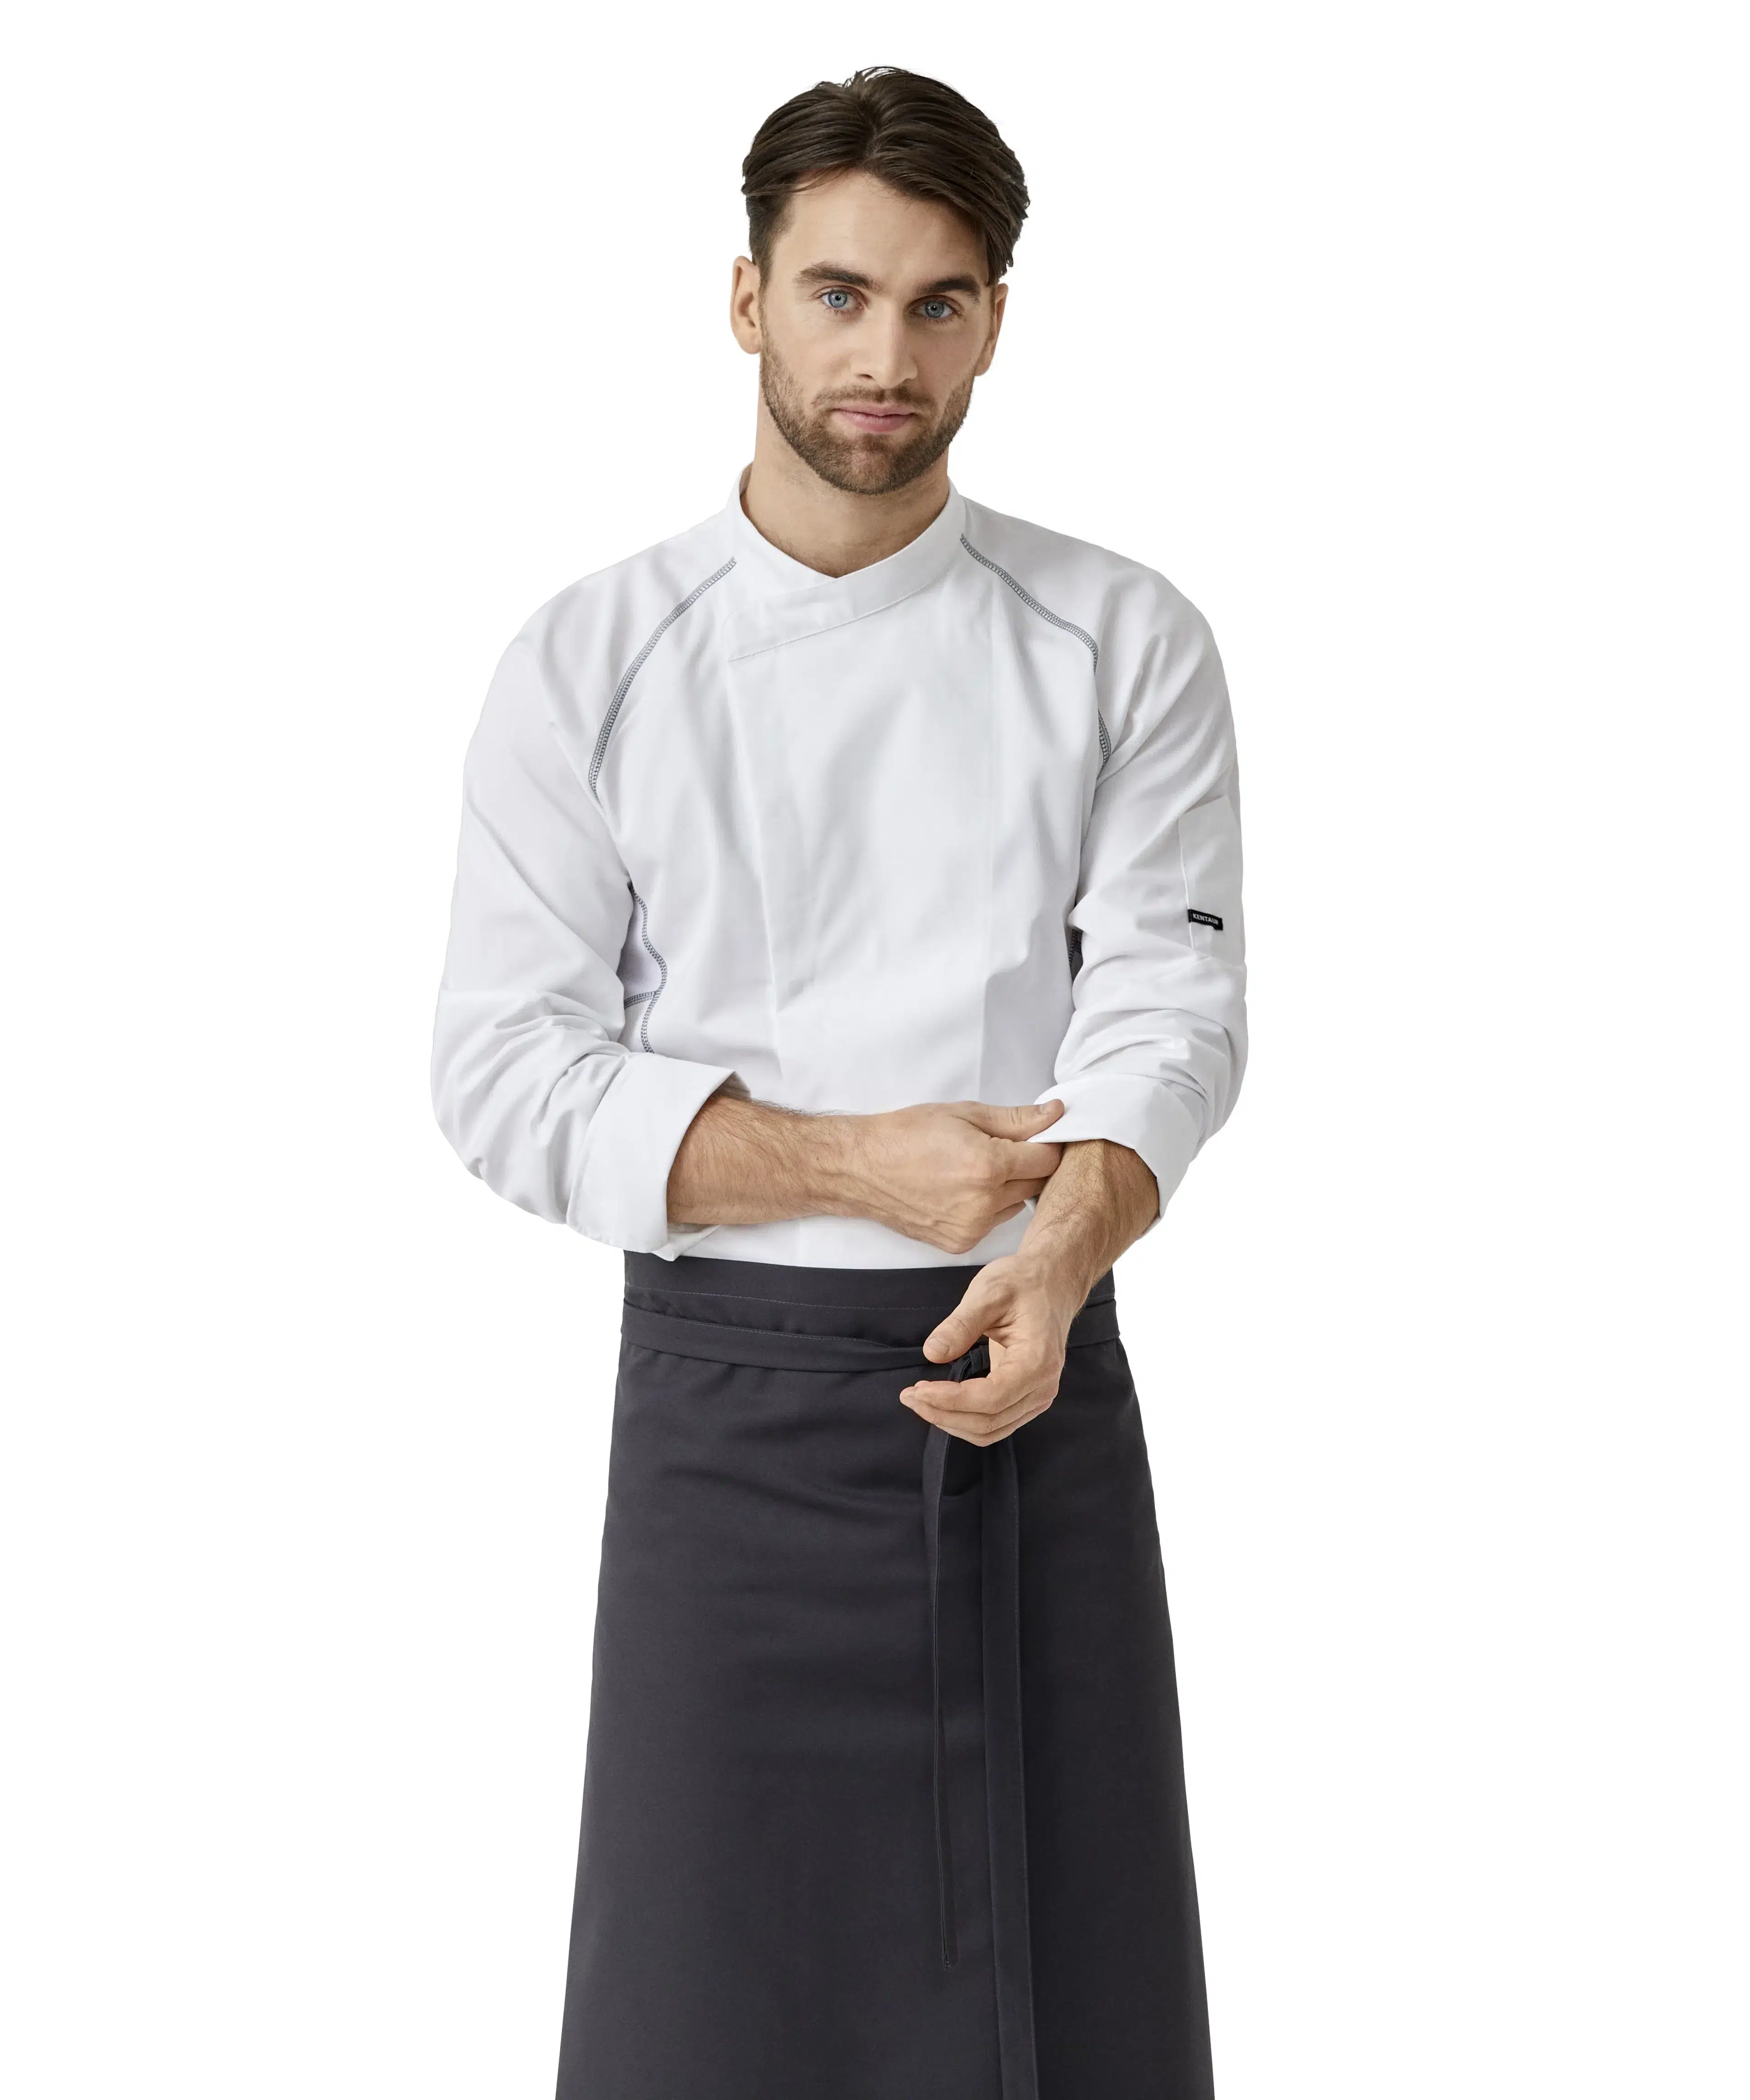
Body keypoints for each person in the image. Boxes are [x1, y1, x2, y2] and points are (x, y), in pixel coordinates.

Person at [433, 64, 1245, 2100]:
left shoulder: (1121, 637)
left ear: (994, 324)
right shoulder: (589, 660)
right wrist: (852, 1166)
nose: (886, 356)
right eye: (839, 294)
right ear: (747, 299)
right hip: (724, 1420)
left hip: (1033, 1386)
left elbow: (1170, 1009)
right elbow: (502, 1066)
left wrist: (1062, 1249)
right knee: (702, 2021)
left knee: (1077, 2014)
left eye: (938, 304)